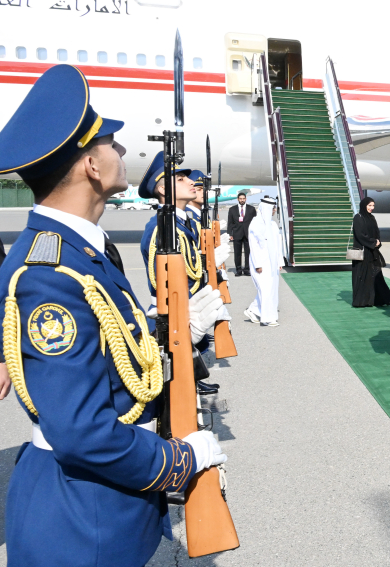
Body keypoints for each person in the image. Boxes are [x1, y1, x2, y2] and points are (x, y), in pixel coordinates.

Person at [0, 64, 226, 566]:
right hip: (84, 523)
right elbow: (81, 431)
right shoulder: (48, 275)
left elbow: (110, 343)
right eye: (109, 142)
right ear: (92, 167)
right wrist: (179, 460)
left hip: (110, 506)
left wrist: (177, 334)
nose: (121, 149)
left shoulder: (82, 250)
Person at [139, 151, 229, 397]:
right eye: (180, 179)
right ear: (163, 190)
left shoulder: (180, 223)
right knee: (174, 393)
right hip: (176, 315)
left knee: (186, 388)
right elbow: (165, 282)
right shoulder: (162, 229)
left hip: (188, 310)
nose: (191, 182)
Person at [246, 196, 285, 327]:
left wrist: (279, 261)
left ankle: (253, 310)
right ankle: (268, 318)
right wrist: (258, 264)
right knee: (265, 290)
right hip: (261, 263)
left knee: (271, 290)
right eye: (272, 208)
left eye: (275, 208)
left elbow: (277, 245)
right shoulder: (255, 224)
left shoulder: (273, 225)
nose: (274, 210)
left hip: (272, 263)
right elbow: (254, 246)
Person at [351, 197, 390, 308]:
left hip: (373, 252)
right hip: (363, 252)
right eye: (369, 205)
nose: (372, 208)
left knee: (376, 275)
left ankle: (379, 299)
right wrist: (373, 242)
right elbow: (360, 235)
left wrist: (378, 241)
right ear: (364, 205)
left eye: (373, 205)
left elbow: (376, 232)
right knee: (362, 276)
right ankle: (362, 301)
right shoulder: (358, 217)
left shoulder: (372, 217)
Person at [226, 191, 256, 276]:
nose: (242, 200)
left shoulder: (251, 209)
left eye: (243, 199)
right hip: (237, 234)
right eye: (240, 199)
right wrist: (230, 234)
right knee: (237, 253)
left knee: (248, 253)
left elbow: (255, 222)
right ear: (238, 199)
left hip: (248, 234)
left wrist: (255, 234)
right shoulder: (232, 209)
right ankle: (238, 270)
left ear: (246, 199)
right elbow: (230, 223)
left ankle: (247, 269)